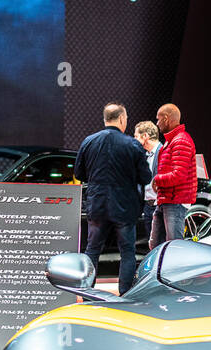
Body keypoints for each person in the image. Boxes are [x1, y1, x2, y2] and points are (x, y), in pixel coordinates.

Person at [74, 103, 153, 296]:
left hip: (97, 206)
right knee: (127, 252)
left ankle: (86, 295)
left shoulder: (89, 141)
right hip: (124, 208)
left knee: (92, 250)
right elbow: (146, 177)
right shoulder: (132, 145)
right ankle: (124, 295)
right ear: (122, 119)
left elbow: (79, 173)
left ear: (105, 119)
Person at [150, 103, 197, 250]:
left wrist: (157, 180)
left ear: (166, 118)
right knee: (156, 246)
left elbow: (178, 175)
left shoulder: (180, 141)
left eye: (158, 120)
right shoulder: (172, 141)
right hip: (166, 200)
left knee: (174, 247)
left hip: (175, 202)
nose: (157, 124)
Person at [134, 120, 161, 244]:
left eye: (136, 136)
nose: (134, 140)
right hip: (147, 205)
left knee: (161, 243)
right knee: (151, 244)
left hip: (160, 205)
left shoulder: (163, 151)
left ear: (145, 136)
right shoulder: (144, 155)